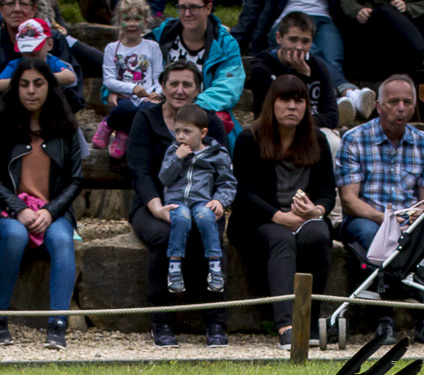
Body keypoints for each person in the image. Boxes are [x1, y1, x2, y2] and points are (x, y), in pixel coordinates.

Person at [0, 56, 86, 349]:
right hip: (9, 209)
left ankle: (57, 325)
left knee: (63, 241)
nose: (31, 91)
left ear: (49, 87)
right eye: (24, 84)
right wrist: (19, 209)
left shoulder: (67, 128)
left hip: (54, 210)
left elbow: (76, 180)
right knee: (14, 235)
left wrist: (51, 212)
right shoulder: (1, 123)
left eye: (38, 84)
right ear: (15, 88)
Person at [126, 59, 230, 347]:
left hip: (201, 201)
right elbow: (140, 172)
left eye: (187, 84)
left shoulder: (209, 123)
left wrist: (219, 202)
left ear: (198, 89)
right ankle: (162, 320)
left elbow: (224, 172)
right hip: (153, 204)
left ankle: (215, 320)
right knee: (164, 235)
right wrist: (157, 207)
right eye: (174, 83)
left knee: (210, 232)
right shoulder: (146, 119)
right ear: (162, 86)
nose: (180, 90)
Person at [230, 73, 335, 349]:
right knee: (282, 238)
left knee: (319, 236)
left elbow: (327, 190)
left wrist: (316, 210)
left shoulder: (317, 140)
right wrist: (279, 217)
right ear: (271, 104)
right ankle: (287, 326)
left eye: (299, 100)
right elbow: (244, 192)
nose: (292, 107)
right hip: (258, 220)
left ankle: (309, 322)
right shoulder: (249, 139)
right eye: (285, 99)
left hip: (303, 217)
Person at [335, 74, 424, 344]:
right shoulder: (355, 139)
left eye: (407, 102)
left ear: (415, 107)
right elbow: (349, 199)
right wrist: (386, 219)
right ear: (379, 106)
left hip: (410, 220)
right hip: (366, 217)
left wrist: (410, 220)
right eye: (393, 102)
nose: (401, 107)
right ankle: (384, 316)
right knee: (374, 235)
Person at [159, 102, 235, 293]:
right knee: (182, 217)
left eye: (187, 131)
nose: (181, 136)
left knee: (206, 216)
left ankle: (215, 266)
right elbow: (165, 178)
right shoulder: (173, 151)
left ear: (202, 133)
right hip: (176, 200)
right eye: (177, 131)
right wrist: (178, 158)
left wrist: (220, 200)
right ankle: (174, 268)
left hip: (202, 200)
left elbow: (228, 182)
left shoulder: (217, 154)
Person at [0, 0, 84, 114]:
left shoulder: (54, 39)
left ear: (34, 9)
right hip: (10, 117)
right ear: (1, 10)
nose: (17, 9)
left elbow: (73, 85)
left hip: (55, 114)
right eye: (10, 3)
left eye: (23, 3)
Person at [151, 0, 244, 130]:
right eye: (182, 8)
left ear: (208, 8)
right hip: (162, 104)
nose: (187, 13)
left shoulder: (225, 43)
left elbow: (229, 86)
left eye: (193, 7)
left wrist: (191, 105)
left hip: (202, 109)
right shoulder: (161, 34)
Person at [246, 12, 339, 142]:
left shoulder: (317, 66)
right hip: (274, 132)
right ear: (279, 38)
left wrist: (304, 72)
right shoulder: (263, 68)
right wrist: (302, 77)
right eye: (293, 40)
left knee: (333, 142)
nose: (299, 47)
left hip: (311, 128)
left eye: (305, 41)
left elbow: (332, 116)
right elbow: (268, 115)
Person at [95, 0, 162, 159]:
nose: (132, 24)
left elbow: (159, 77)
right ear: (119, 22)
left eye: (137, 19)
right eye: (127, 19)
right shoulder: (112, 48)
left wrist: (157, 93)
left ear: (145, 22)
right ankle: (109, 124)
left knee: (145, 112)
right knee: (125, 108)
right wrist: (131, 89)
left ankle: (123, 133)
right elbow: (109, 80)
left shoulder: (152, 47)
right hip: (124, 98)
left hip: (146, 97)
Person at [340, 0, 424, 93]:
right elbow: (346, 1)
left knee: (389, 11)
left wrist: (407, 7)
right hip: (376, 39)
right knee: (385, 10)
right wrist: (357, 10)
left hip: (409, 43)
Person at [0, 16, 75, 94]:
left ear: (49, 45)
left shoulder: (52, 61)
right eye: (26, 49)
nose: (31, 52)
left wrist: (41, 77)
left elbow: (70, 77)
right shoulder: (16, 64)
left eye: (36, 47)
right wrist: (23, 80)